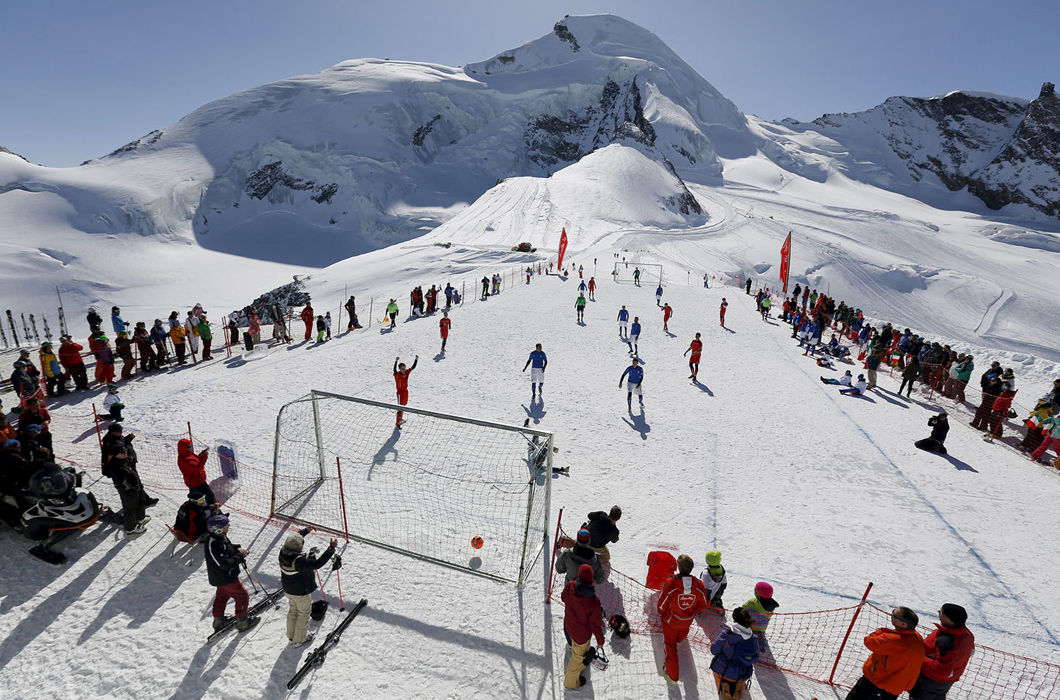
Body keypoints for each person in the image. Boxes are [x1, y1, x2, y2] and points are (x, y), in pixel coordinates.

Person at [846, 607, 925, 700]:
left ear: (904, 624)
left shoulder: (893, 639)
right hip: (895, 687)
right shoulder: (918, 637)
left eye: (894, 616)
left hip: (876, 682)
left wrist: (883, 631)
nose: (891, 617)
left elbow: (869, 641)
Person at [279, 529, 337, 646]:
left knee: (293, 611)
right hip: (300, 593)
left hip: (288, 590)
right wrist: (331, 548)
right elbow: (317, 564)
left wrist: (306, 530)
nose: (302, 546)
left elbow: (294, 538)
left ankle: (291, 636)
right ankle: (299, 640)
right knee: (304, 614)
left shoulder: (283, 552)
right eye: (301, 544)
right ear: (297, 548)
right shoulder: (298, 561)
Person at [657, 554, 710, 683]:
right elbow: (703, 604)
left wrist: (661, 612)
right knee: (682, 631)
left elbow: (661, 604)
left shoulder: (671, 583)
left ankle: (672, 676)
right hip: (687, 621)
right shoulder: (699, 584)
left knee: (670, 646)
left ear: (678, 567)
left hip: (671, 621)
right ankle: (680, 638)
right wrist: (691, 611)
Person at [205, 514, 260, 633]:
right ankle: (243, 622)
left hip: (222, 577)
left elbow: (226, 547)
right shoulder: (213, 544)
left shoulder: (219, 536)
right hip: (225, 577)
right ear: (218, 529)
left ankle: (218, 620)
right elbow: (224, 564)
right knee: (242, 596)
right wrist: (239, 556)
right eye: (226, 525)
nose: (228, 526)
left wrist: (236, 548)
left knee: (222, 595)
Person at [908, 604, 974, 700]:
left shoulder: (945, 640)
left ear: (949, 619)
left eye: (941, 612)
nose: (938, 612)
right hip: (947, 680)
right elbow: (970, 651)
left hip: (930, 681)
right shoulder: (966, 634)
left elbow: (943, 670)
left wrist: (919, 657)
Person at [561, 563, 605, 690]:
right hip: (582, 636)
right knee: (577, 659)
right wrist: (600, 641)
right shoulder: (593, 601)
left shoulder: (570, 586)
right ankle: (570, 682)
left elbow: (563, 598)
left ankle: (578, 654)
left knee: (575, 646)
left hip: (569, 625)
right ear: (591, 580)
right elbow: (596, 624)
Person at [709, 606, 761, 699]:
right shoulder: (753, 638)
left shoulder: (726, 634)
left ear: (735, 620)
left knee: (723, 687)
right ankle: (737, 688)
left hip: (722, 670)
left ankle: (724, 691)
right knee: (737, 681)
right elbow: (756, 657)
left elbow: (714, 650)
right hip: (742, 673)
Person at [108, 440, 150, 535]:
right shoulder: (116, 466)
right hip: (128, 491)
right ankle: (130, 528)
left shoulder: (124, 460)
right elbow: (121, 482)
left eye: (125, 450)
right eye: (122, 452)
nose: (125, 452)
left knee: (140, 502)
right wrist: (131, 489)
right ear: (116, 455)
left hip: (135, 488)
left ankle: (140, 519)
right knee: (130, 509)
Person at [178, 438, 215, 505]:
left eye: (191, 445)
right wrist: (205, 457)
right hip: (196, 483)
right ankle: (214, 513)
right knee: (210, 498)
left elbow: (196, 460)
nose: (191, 448)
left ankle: (207, 512)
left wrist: (202, 454)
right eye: (189, 447)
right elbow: (197, 467)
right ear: (183, 448)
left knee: (197, 500)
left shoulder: (189, 454)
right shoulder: (184, 460)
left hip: (198, 481)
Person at [393, 356, 418, 428]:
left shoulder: (406, 372)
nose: (404, 370)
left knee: (403, 406)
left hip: (405, 392)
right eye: (402, 369)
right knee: (400, 407)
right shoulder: (397, 375)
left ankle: (400, 419)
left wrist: (416, 359)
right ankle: (397, 423)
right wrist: (396, 361)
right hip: (400, 393)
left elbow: (413, 367)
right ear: (400, 369)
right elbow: (394, 370)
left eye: (404, 368)